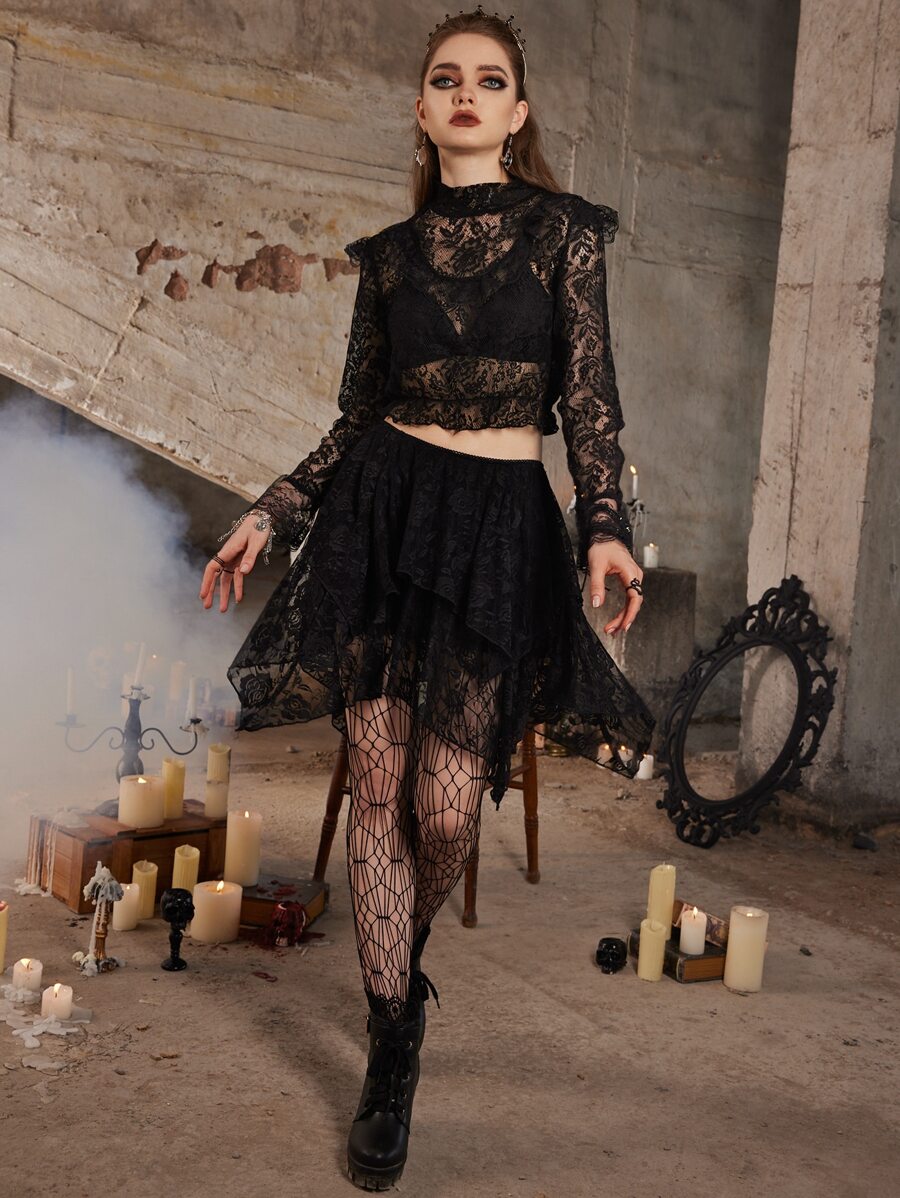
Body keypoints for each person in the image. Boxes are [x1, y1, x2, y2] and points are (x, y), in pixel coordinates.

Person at [199, 6, 655, 1190]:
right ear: (420, 108)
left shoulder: (565, 235)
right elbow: (355, 420)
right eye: (445, 78)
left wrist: (607, 526)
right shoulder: (389, 259)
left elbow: (590, 404)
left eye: (488, 80)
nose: (465, 93)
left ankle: (402, 948)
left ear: (517, 110)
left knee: (445, 811)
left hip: (498, 530)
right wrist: (270, 513)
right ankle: (393, 1034)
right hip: (384, 520)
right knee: (381, 784)